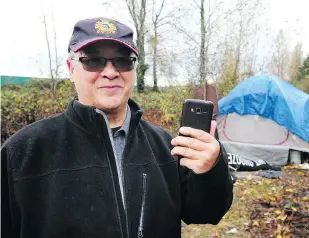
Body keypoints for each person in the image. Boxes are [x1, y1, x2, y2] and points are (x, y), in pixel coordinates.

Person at [1, 17, 233, 238]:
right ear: (71, 69)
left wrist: (211, 170)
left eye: (122, 60)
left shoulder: (166, 147)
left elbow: (207, 212)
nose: (110, 72)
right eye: (93, 60)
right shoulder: (22, 153)